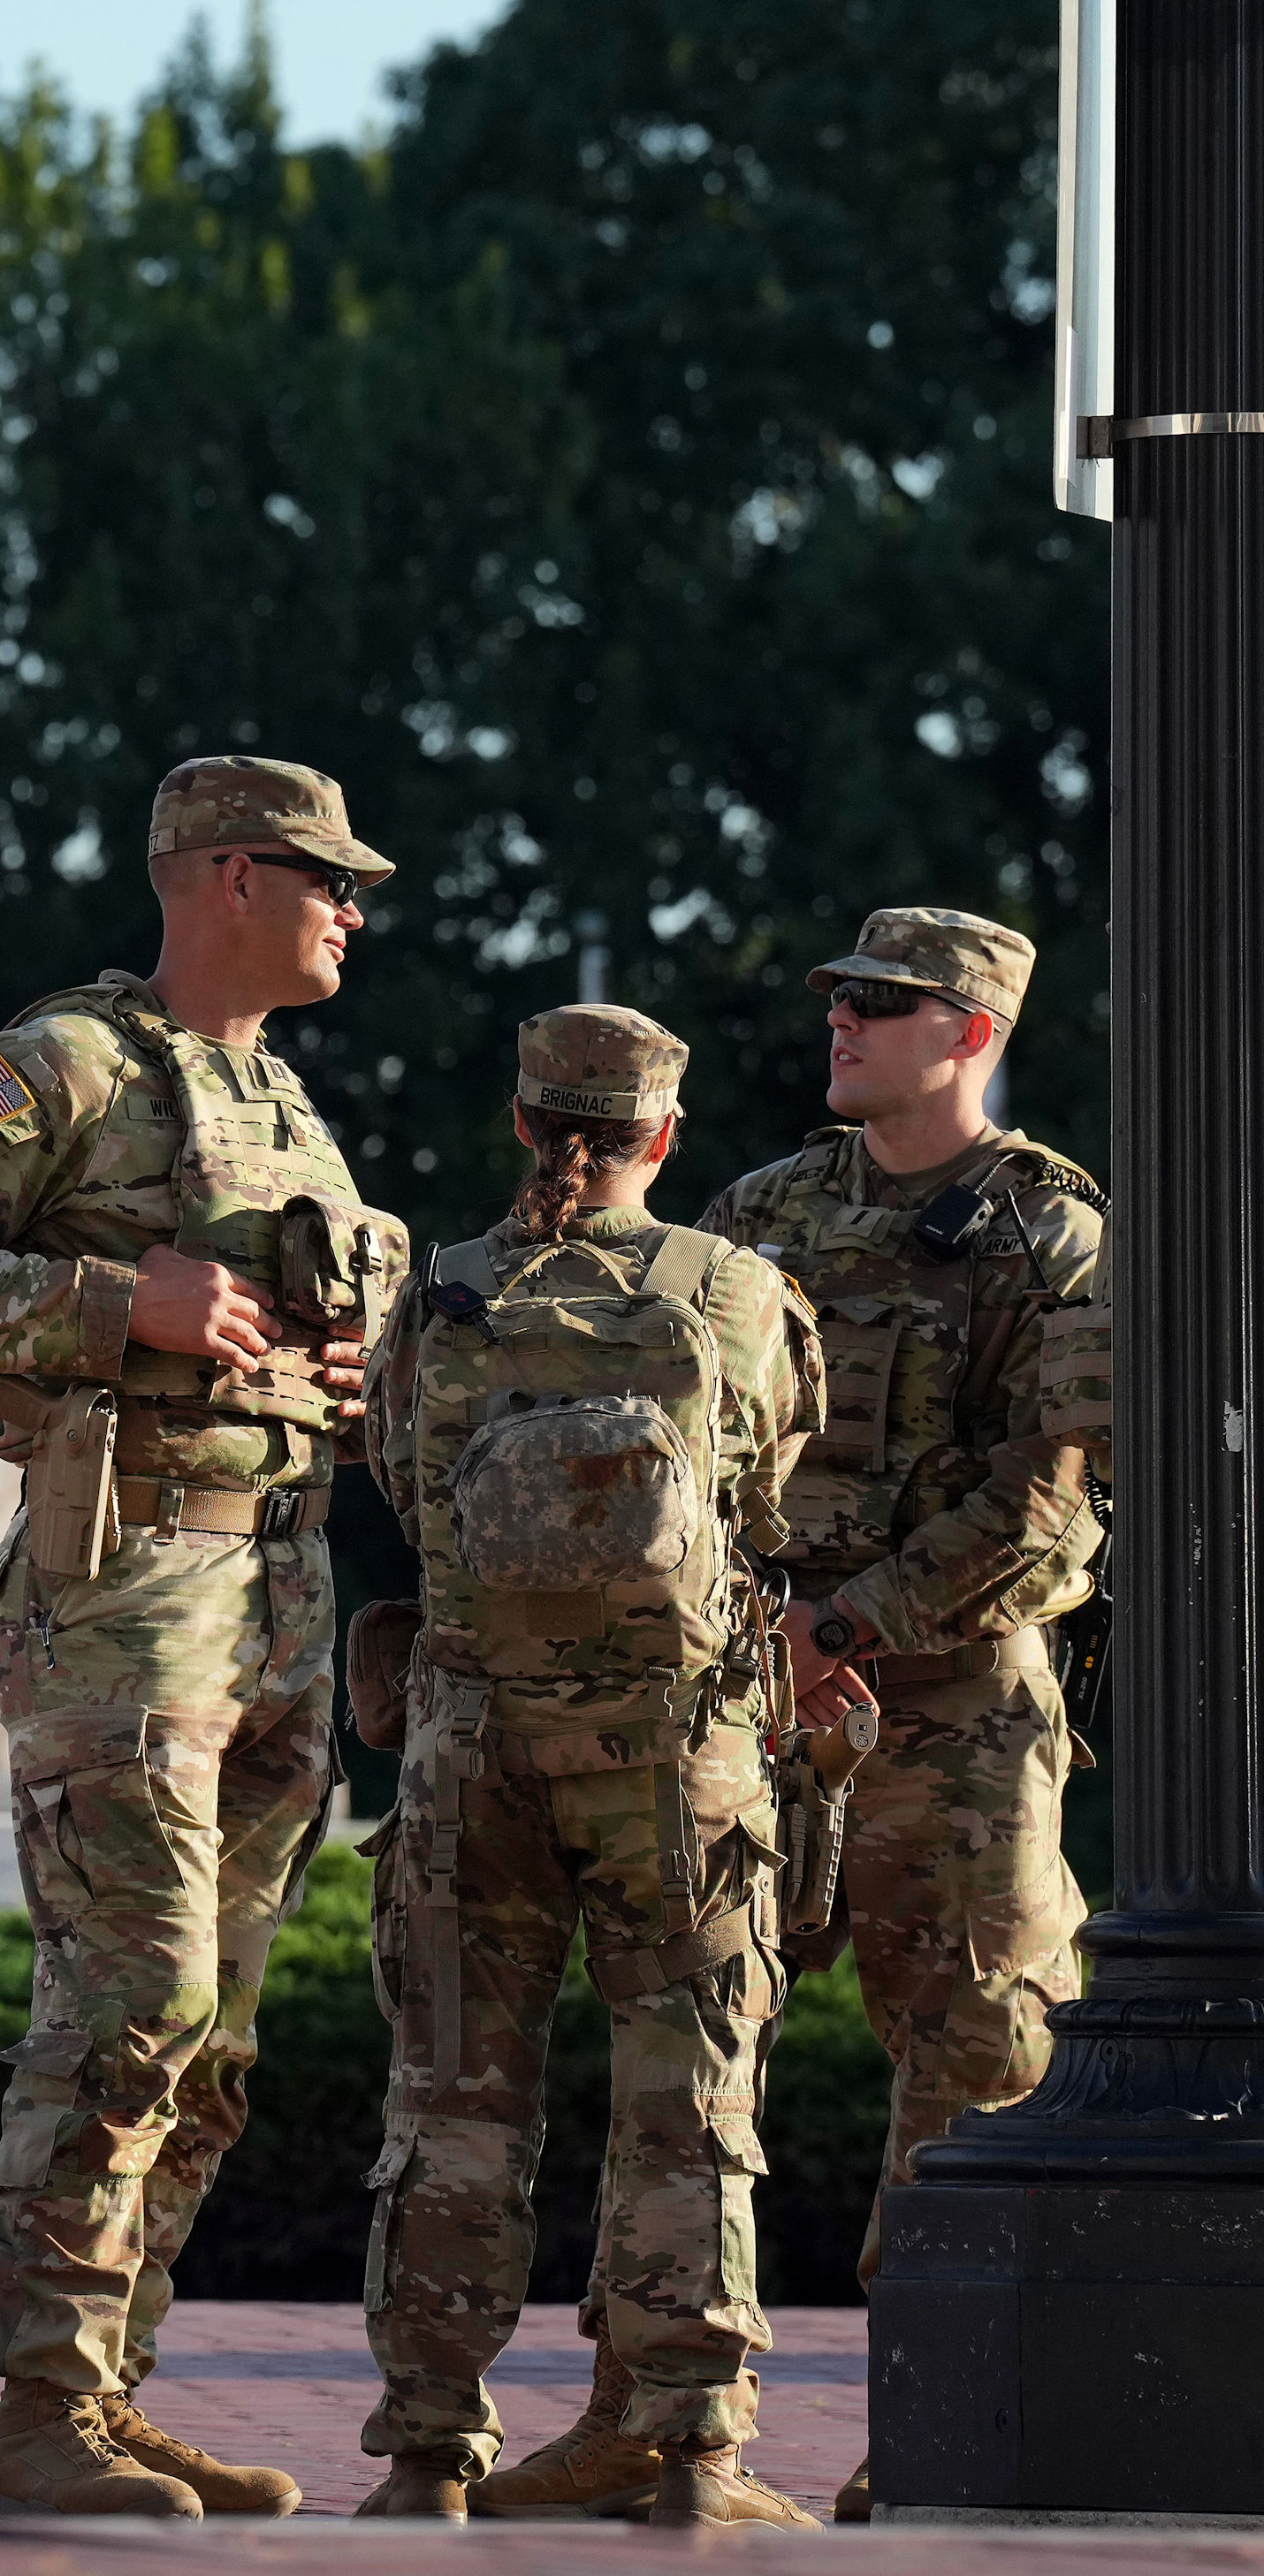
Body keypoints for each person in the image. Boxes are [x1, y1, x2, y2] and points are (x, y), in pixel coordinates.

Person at [0, 756, 407, 2520]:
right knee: (127, 1994)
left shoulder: (288, 1108)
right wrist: (104, 1299)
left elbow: (285, 1351)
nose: (349, 910)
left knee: (211, 2031)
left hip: (272, 1588)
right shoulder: (64, 1065)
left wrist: (344, 1384)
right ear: (226, 875)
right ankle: (35, 2403)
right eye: (324, 878)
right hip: (122, 1585)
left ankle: (102, 2392)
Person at [351, 1006, 828, 2531]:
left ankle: (427, 2453)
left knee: (451, 2095)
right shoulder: (739, 1291)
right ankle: (689, 2451)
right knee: (686, 2092)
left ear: (519, 1122)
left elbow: (403, 1495)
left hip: (468, 1742)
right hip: (675, 1752)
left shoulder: (437, 1297)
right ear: (664, 1137)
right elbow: (768, 1498)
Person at [677, 908, 1101, 2525]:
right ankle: (680, 2429)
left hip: (953, 1712)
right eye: (837, 999)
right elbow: (676, 1446)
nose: (840, 1021)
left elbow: (1048, 1506)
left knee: (974, 2074)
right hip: (758, 1692)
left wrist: (845, 1622)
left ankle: (937, 2438)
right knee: (692, 2049)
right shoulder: (762, 1211)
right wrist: (754, 1628)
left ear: (970, 1028)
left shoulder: (1051, 1234)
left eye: (879, 1002)